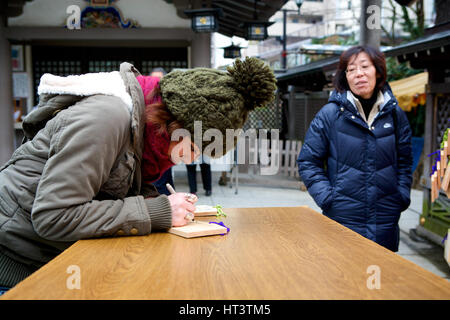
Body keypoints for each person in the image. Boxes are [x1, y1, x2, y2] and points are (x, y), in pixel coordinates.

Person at [0, 57, 277, 291]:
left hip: (52, 258)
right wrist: (158, 211)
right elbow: (53, 217)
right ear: (172, 122)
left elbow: (116, 188)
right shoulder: (105, 120)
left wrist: (162, 204)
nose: (192, 158)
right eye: (193, 147)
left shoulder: (142, 134)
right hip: (14, 260)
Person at [297, 45, 412, 252]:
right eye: (351, 69)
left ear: (378, 71)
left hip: (385, 219)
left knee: (381, 279)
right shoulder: (330, 114)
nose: (358, 74)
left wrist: (401, 196)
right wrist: (328, 198)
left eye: (365, 67)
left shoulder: (395, 115)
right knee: (340, 278)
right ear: (345, 77)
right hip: (341, 218)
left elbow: (404, 161)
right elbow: (308, 161)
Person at [148, 67, 174, 196]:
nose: (156, 82)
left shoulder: (170, 102)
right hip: (150, 152)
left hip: (165, 150)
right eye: (153, 79)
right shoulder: (145, 101)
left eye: (159, 79)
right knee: (157, 185)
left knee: (166, 181)